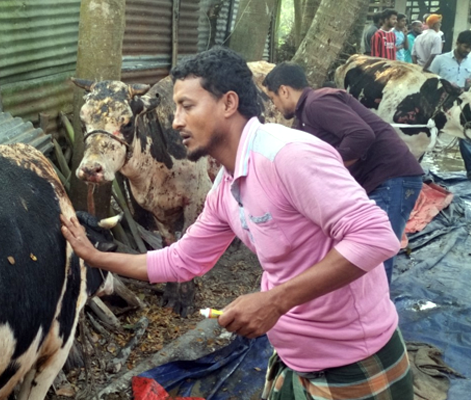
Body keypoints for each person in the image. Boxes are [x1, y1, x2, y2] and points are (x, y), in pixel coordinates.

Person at [62, 47, 414, 400]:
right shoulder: (226, 186)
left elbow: (376, 237)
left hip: (354, 366)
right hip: (292, 360)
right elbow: (180, 260)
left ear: (229, 104)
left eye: (187, 106)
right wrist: (95, 256)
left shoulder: (288, 155)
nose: (175, 121)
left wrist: (274, 302)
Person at [262, 62, 424, 283]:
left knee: (374, 254)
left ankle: (376, 312)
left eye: (273, 99)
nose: (276, 106)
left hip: (392, 176)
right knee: (363, 251)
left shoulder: (317, 103)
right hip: (378, 180)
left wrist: (330, 168)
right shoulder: (304, 119)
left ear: (284, 90)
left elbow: (361, 135)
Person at [429, 30, 471, 180]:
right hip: (440, 103)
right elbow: (429, 81)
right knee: (432, 133)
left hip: (460, 105)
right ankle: (423, 168)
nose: (467, 50)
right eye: (465, 46)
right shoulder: (440, 60)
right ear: (457, 43)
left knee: (465, 133)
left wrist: (469, 85)